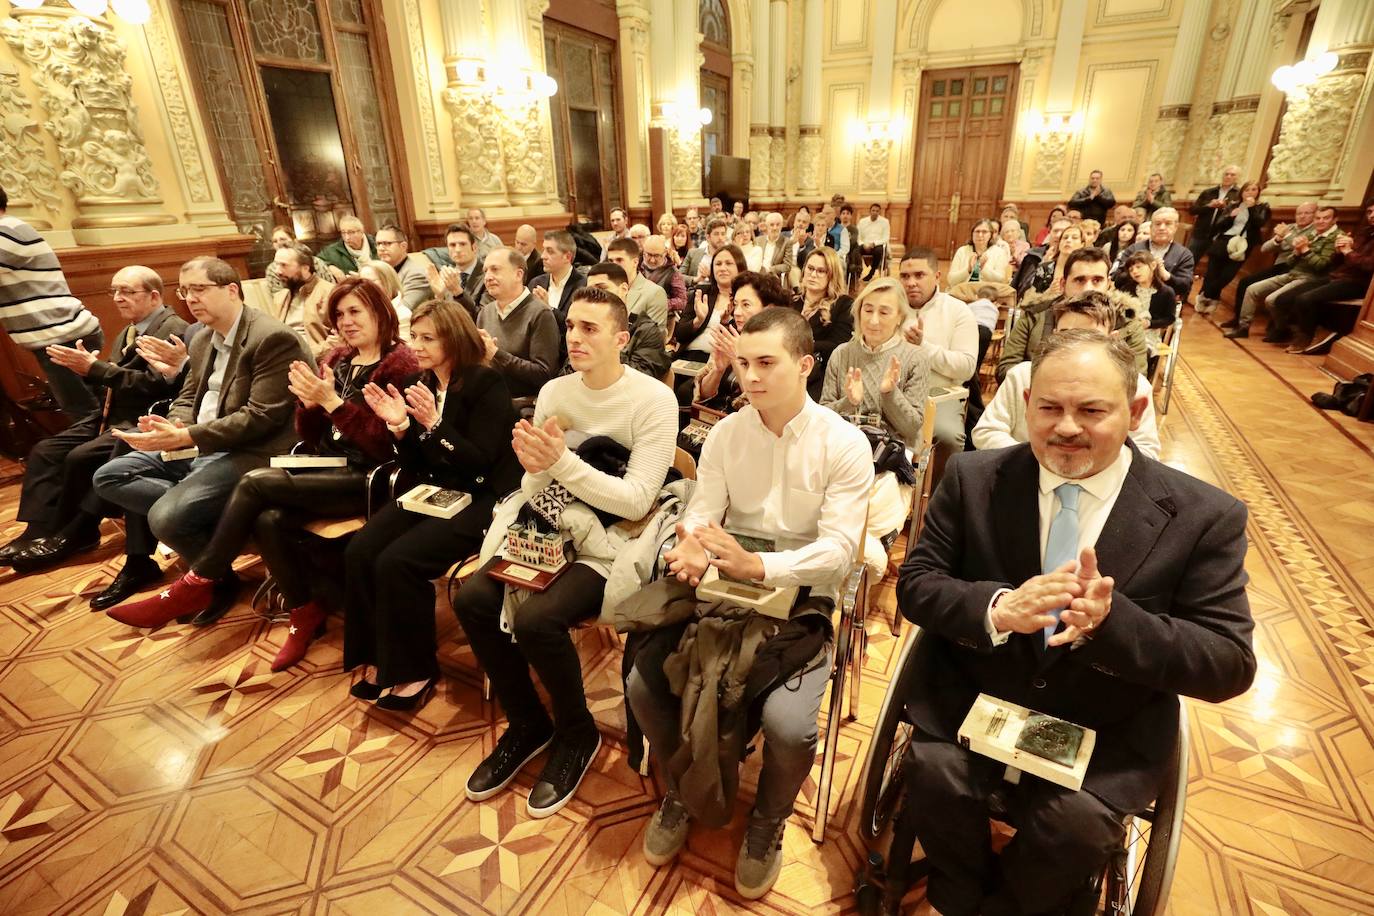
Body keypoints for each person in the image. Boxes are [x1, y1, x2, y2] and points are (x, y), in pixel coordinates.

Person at [894, 327, 1255, 916]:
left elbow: (1228, 663)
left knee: (1079, 829)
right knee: (932, 774)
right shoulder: (973, 478)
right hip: (979, 695)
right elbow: (918, 585)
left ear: (1135, 410)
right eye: (1050, 408)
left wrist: (1113, 624)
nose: (1066, 427)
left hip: (1105, 721)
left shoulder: (1202, 517)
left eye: (1091, 410)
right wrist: (998, 608)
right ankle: (956, 894)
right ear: (1027, 402)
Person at [628, 306, 873, 900]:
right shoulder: (727, 435)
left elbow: (840, 550)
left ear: (807, 365)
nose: (752, 377)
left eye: (768, 363)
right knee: (642, 683)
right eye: (743, 363)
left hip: (801, 594)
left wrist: (762, 565)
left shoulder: (843, 444)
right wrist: (690, 545)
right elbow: (704, 510)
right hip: (725, 582)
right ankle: (682, 791)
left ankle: (767, 822)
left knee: (788, 726)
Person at [453, 286, 678, 818]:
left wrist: (561, 464)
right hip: (555, 516)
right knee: (473, 600)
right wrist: (536, 468)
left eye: (590, 329)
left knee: (537, 620)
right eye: (571, 326)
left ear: (621, 339)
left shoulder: (653, 399)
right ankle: (529, 722)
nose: (574, 337)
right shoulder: (555, 392)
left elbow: (637, 499)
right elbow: (539, 483)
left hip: (619, 536)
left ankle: (577, 735)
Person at [100, 280, 417, 654]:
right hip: (327, 464)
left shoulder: (400, 364)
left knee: (253, 482)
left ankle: (197, 581)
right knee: (267, 518)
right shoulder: (336, 360)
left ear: (380, 311)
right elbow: (312, 435)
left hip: (371, 477)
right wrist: (311, 406)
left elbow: (387, 445)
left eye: (354, 312)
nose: (345, 321)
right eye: (339, 314)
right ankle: (304, 612)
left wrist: (331, 402)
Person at [90, 258, 310, 624]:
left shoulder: (271, 337)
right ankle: (218, 540)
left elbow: (262, 417)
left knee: (166, 516)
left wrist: (187, 435)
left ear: (231, 290)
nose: (190, 298)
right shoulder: (202, 336)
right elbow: (190, 396)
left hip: (255, 450)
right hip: (201, 442)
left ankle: (212, 578)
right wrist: (170, 427)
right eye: (185, 290)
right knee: (109, 476)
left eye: (199, 289)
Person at [346, 299, 522, 708]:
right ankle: (381, 658)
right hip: (436, 488)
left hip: (483, 496)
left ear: (454, 338)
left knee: (398, 561)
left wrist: (435, 425)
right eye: (414, 336)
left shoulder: (484, 383)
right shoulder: (417, 383)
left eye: (428, 338)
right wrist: (400, 426)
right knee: (360, 550)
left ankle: (414, 671)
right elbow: (413, 463)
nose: (417, 345)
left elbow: (480, 460)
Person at [2, 267, 188, 571]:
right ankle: (37, 530)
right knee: (45, 451)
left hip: (141, 416)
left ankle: (75, 532)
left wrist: (95, 369)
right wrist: (86, 373)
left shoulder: (172, 328)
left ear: (154, 295)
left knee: (79, 457)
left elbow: (155, 385)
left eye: (127, 291)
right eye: (114, 291)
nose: (118, 298)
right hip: (108, 412)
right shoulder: (130, 329)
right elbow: (113, 380)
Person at [821, 278, 930, 578]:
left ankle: (856, 553)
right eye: (867, 310)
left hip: (890, 455)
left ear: (899, 318)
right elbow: (822, 415)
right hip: (846, 447)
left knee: (872, 499)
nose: (873, 319)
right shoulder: (842, 354)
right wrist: (847, 401)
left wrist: (889, 393)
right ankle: (858, 552)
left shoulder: (915, 357)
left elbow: (912, 427)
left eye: (884, 312)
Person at [974, 297, 1160, 458]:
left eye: (1088, 337)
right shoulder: (1022, 375)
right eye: (1066, 335)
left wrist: (1092, 460)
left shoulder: (1136, 385)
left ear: (1112, 339)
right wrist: (1041, 461)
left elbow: (1146, 450)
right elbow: (987, 430)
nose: (1073, 346)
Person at [0, 186, 104, 418]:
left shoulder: (6, 231)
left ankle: (105, 454)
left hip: (63, 336)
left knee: (84, 413)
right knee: (95, 411)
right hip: (61, 335)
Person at [1001, 248, 1147, 380]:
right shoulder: (1034, 315)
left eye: (1097, 280)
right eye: (1079, 280)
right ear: (1063, 284)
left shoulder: (1128, 324)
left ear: (1108, 284)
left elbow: (1136, 379)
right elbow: (1007, 368)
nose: (1088, 288)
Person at [898, 249, 978, 473]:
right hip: (893, 392)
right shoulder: (890, 307)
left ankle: (938, 499)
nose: (911, 282)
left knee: (947, 435)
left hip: (938, 395)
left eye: (919, 275)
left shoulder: (958, 311)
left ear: (937, 276)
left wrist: (923, 348)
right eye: (905, 276)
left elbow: (966, 368)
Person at [1233, 205, 1340, 344]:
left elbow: (1320, 266)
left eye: (1325, 218)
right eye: (1318, 218)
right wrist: (1295, 251)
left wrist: (1303, 249)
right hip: (1291, 272)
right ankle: (1243, 327)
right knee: (1251, 288)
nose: (1320, 221)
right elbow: (1279, 256)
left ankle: (1283, 329)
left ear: (1335, 220)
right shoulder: (1311, 233)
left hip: (1310, 278)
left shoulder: (1335, 237)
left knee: (1271, 300)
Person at [693, 271, 793, 411]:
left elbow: (759, 405)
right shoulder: (731, 336)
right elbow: (702, 396)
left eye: (746, 305)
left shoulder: (780, 348)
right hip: (717, 418)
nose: (737, 312)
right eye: (736, 304)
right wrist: (718, 370)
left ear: (769, 309)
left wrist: (737, 358)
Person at [1282, 203, 1374, 355]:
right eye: (1369, 211)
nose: (1371, 215)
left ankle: (1306, 337)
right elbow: (1337, 262)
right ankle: (1310, 330)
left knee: (1306, 299)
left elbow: (1368, 266)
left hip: (1358, 283)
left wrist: (1348, 252)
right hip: (1338, 275)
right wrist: (1338, 251)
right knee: (1290, 296)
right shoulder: (1364, 232)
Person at [477, 247, 560, 399]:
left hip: (525, 405)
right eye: (485, 271)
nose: (488, 277)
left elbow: (544, 374)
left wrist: (497, 354)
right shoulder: (485, 312)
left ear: (518, 274)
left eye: (495, 269)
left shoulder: (540, 313)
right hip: (490, 399)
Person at [1222, 201, 1316, 335]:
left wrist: (1287, 237)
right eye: (1299, 213)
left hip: (1297, 268)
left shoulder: (1314, 232)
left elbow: (1297, 246)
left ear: (1314, 215)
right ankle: (1239, 320)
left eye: (1307, 213)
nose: (1302, 216)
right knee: (1245, 282)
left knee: (1278, 296)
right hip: (1280, 266)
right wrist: (1277, 239)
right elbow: (1265, 248)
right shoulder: (1289, 227)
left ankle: (1277, 329)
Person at [578, 262, 670, 379]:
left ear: (624, 289)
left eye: (602, 288)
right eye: (591, 291)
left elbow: (640, 379)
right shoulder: (583, 328)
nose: (595, 297)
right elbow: (568, 371)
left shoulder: (647, 331)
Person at [1193, 181, 1269, 315]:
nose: (1250, 193)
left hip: (1243, 244)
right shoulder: (1233, 205)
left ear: (1258, 192)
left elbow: (1260, 223)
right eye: (1247, 190)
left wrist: (1250, 208)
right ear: (1242, 192)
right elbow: (1219, 225)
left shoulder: (1262, 207)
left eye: (1253, 190)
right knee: (1212, 272)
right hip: (1224, 240)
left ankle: (1207, 295)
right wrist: (1230, 217)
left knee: (1227, 276)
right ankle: (1210, 299)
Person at [794, 247, 854, 400]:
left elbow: (838, 345)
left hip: (821, 372)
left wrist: (802, 344)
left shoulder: (843, 304)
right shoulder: (792, 301)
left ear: (832, 275)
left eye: (821, 271)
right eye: (810, 268)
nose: (813, 275)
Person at [675, 244, 746, 365]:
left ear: (740, 267)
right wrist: (698, 321)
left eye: (728, 263)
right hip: (688, 357)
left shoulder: (745, 298)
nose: (722, 268)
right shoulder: (701, 293)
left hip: (724, 362)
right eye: (718, 264)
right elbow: (680, 335)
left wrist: (725, 323)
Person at [1110, 206, 1194, 303]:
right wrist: (1136, 271)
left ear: (1175, 227)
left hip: (1165, 305)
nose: (1162, 228)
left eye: (1168, 224)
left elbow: (1185, 287)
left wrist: (1166, 276)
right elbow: (1116, 278)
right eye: (1157, 224)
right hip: (1132, 302)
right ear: (1151, 227)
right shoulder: (1134, 249)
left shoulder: (1184, 254)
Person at [269, 245, 336, 356]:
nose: (277, 271)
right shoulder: (281, 297)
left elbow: (340, 341)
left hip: (318, 361)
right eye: (276, 264)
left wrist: (307, 355)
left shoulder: (329, 293)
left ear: (305, 268)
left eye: (283, 265)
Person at [605, 238, 669, 331]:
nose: (614, 265)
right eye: (611, 261)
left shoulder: (654, 293)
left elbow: (653, 339)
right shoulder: (605, 290)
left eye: (619, 260)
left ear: (635, 262)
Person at [529, 229, 587, 327]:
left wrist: (548, 308)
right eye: (543, 250)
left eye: (550, 251)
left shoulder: (583, 286)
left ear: (567, 257)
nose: (543, 256)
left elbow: (574, 325)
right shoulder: (536, 283)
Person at [1188, 164, 1243, 268]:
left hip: (1220, 236)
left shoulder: (1239, 195)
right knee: (1189, 261)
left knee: (1214, 266)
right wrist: (1209, 206)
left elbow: (1238, 217)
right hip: (1200, 233)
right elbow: (1193, 210)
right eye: (1226, 174)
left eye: (1232, 175)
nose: (1228, 177)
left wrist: (1225, 208)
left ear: (1237, 178)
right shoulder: (1208, 192)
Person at [1116, 250, 1179, 334]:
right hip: (1128, 332)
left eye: (1139, 267)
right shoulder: (1127, 289)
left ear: (1153, 265)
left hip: (1151, 334)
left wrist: (1150, 324)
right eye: (1131, 270)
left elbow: (1169, 318)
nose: (1134, 271)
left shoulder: (1166, 292)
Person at [429, 223, 485, 312]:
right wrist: (439, 296)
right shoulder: (446, 276)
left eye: (462, 244)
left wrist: (458, 292)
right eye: (452, 245)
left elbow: (483, 318)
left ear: (474, 248)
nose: (457, 250)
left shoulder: (487, 274)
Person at [374, 223, 431, 310]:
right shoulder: (377, 272)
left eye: (387, 243)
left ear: (403, 246)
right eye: (378, 244)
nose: (381, 248)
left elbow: (403, 309)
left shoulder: (417, 275)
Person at [358, 259, 412, 339]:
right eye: (361, 282)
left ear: (387, 282)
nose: (364, 287)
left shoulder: (402, 314)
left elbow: (403, 348)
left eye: (370, 282)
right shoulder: (359, 310)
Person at [948, 219, 1011, 286]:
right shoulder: (962, 251)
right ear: (972, 234)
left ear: (990, 235)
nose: (980, 235)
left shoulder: (999, 252)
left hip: (987, 293)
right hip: (962, 292)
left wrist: (984, 268)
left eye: (984, 232)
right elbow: (951, 280)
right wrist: (968, 269)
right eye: (977, 231)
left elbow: (1000, 280)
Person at [640, 235, 688, 315]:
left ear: (665, 253)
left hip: (662, 317)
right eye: (648, 255)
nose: (652, 260)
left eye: (656, 256)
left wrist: (662, 303)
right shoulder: (636, 265)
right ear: (643, 252)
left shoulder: (673, 272)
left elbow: (682, 300)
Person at [858, 203, 892, 281]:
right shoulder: (862, 221)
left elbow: (886, 238)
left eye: (877, 211)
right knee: (855, 250)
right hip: (865, 245)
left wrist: (874, 243)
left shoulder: (885, 222)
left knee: (878, 251)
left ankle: (871, 273)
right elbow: (858, 236)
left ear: (879, 212)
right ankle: (857, 272)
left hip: (877, 245)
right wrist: (863, 244)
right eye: (873, 210)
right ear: (870, 211)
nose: (875, 212)